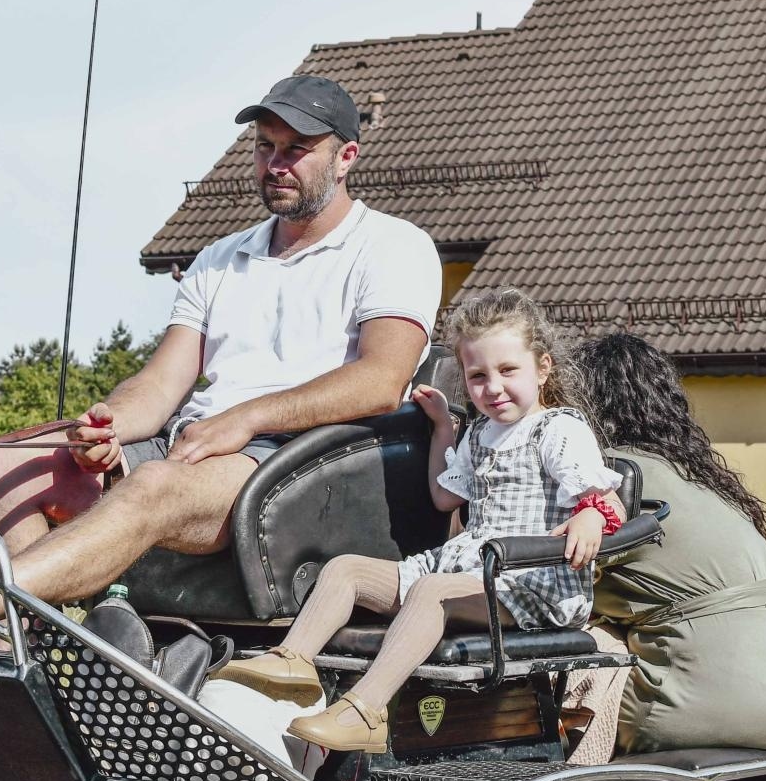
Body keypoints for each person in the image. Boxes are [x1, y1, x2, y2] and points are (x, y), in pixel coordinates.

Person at [0, 75, 442, 636]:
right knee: (9, 460)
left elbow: (381, 379)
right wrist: (106, 426)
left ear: (345, 157)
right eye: (265, 146)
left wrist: (246, 419)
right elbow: (160, 384)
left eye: (296, 149)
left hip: (299, 463)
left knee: (153, 484)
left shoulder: (393, 246)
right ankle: (29, 646)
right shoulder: (220, 258)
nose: (275, 164)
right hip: (198, 446)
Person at [216, 289, 626, 752]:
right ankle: (293, 662)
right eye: (477, 376)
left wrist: (590, 517)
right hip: (472, 570)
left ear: (543, 367)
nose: (493, 388)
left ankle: (367, 711)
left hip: (529, 583)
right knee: (347, 570)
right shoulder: (482, 433)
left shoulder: (559, 429)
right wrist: (444, 429)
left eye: (508, 371)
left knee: (432, 592)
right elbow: (444, 496)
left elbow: (609, 501)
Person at [574, 333, 766, 754]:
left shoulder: (611, 479)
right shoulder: (700, 477)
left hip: (716, 703)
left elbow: (557, 588)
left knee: (552, 698)